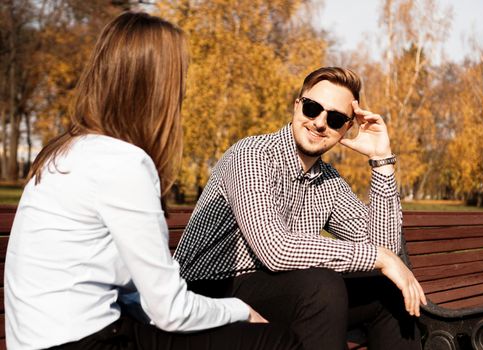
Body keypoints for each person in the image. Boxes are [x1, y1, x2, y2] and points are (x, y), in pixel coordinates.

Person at [4, 12, 302, 350]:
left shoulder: (67, 152)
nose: (184, 91)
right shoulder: (122, 162)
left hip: (50, 340)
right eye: (180, 78)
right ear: (157, 87)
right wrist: (240, 310)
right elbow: (170, 311)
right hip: (86, 342)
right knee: (276, 342)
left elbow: (139, 295)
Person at [175, 67, 427, 350]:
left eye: (334, 118)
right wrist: (380, 257)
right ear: (297, 106)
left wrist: (381, 162)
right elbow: (275, 249)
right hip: (208, 291)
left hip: (281, 290)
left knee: (389, 290)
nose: (320, 123)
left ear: (346, 128)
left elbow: (385, 249)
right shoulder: (252, 155)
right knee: (321, 286)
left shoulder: (329, 181)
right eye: (312, 108)